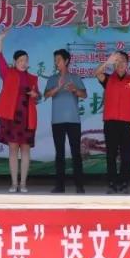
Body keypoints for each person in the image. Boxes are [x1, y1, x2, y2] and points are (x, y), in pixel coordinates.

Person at [0, 27, 40, 194]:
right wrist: (0, 39)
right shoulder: (8, 73)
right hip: (11, 116)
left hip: (27, 117)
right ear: (15, 62)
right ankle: (14, 183)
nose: (24, 63)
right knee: (13, 149)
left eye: (26, 60)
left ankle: (23, 183)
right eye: (21, 60)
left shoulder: (32, 78)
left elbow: (38, 97)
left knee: (25, 149)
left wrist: (35, 95)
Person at [95, 50, 130, 194]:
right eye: (118, 61)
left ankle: (124, 182)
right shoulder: (108, 79)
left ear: (127, 64)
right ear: (114, 64)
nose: (120, 64)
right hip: (111, 123)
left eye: (123, 61)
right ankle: (112, 183)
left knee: (127, 155)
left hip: (127, 123)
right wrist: (108, 61)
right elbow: (97, 73)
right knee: (111, 155)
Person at [44, 48, 86, 194]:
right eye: (55, 60)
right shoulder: (52, 79)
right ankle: (60, 186)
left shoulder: (75, 77)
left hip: (73, 120)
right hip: (57, 121)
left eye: (59, 60)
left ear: (66, 61)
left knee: (76, 153)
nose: (56, 62)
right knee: (59, 153)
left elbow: (84, 94)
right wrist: (58, 87)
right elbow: (46, 95)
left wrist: (75, 90)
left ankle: (79, 185)